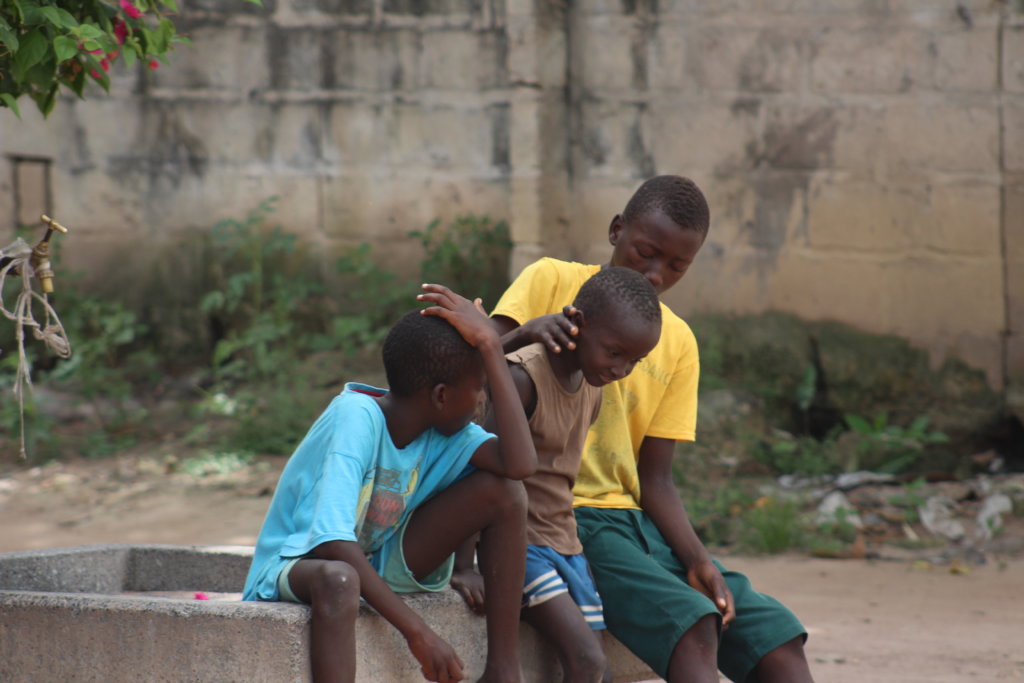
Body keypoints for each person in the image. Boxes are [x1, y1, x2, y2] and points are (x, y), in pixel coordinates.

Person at [490, 175, 814, 683]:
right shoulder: (550, 280)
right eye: (646, 252)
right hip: (573, 516)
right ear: (617, 229)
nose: (657, 274)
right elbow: (479, 365)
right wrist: (530, 330)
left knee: (776, 639)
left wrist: (697, 559)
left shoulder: (677, 340)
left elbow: (656, 476)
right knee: (695, 626)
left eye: (677, 266)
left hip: (639, 524)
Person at [242, 284, 538, 683]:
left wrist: (490, 346)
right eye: (479, 388)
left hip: (379, 558)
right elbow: (332, 543)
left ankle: (504, 672)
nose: (483, 400)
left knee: (506, 493)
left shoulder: (444, 431)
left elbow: (519, 465)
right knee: (339, 578)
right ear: (441, 396)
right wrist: (418, 633)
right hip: (299, 565)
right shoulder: (355, 418)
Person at [451, 267, 662, 683]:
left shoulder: (593, 384)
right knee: (587, 662)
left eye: (634, 361)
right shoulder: (523, 378)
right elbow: (476, 471)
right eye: (615, 353)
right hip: (519, 545)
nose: (621, 369)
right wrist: (465, 565)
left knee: (596, 670)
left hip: (564, 541)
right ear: (577, 322)